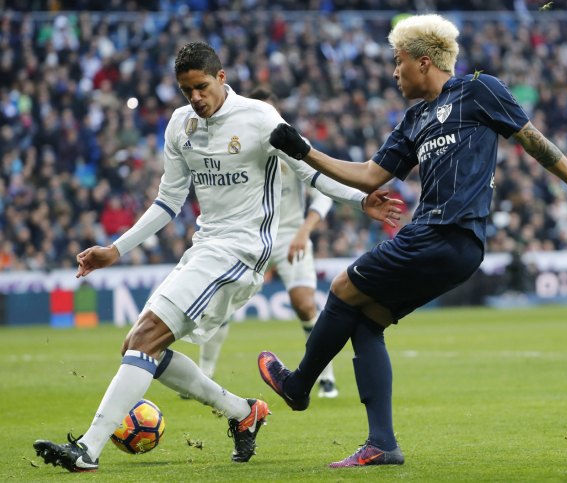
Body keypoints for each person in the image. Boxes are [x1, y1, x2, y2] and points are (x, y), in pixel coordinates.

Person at [257, 14, 567, 468]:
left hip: (447, 232)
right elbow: (370, 176)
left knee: (344, 288)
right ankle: (382, 444)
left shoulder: (478, 90)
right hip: (450, 245)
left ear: (423, 62)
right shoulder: (413, 119)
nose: (393, 72)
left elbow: (532, 139)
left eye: (398, 61)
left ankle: (298, 385)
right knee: (366, 321)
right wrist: (304, 150)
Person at [33, 41, 403, 472]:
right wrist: (116, 249)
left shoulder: (259, 117)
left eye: (202, 87)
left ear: (221, 78)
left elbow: (308, 167)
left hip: (244, 249)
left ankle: (87, 449)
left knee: (146, 338)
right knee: (137, 346)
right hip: (206, 246)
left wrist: (361, 200)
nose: (195, 98)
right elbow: (167, 202)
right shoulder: (180, 125)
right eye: (186, 90)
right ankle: (241, 412)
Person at [193, 87, 339, 399]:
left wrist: (305, 230)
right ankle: (203, 375)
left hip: (289, 236)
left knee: (305, 305)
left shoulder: (294, 144)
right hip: (248, 236)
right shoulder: (236, 147)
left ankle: (326, 378)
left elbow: (324, 190)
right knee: (221, 303)